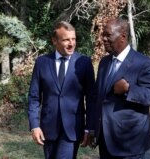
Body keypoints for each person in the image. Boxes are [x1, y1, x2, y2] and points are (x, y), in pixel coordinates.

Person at [94, 18, 150, 159]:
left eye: (108, 35)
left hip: (130, 142)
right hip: (106, 141)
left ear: (123, 36)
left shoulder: (144, 63)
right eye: (103, 35)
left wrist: (129, 89)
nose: (104, 39)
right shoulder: (104, 62)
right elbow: (98, 98)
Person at [28, 21, 95, 159]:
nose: (71, 43)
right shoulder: (42, 62)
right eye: (66, 40)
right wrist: (34, 125)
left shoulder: (84, 62)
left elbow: (91, 98)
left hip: (72, 129)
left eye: (73, 39)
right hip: (48, 129)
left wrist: (89, 127)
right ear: (54, 40)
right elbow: (34, 97)